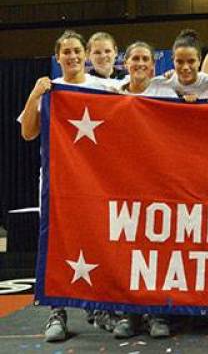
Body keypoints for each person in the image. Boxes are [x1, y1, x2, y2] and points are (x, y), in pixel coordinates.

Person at [18, 30, 116, 342]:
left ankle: (99, 306)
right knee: (55, 246)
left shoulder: (106, 87)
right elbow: (28, 133)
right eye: (66, 52)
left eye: (77, 51)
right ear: (58, 57)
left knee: (101, 241)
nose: (72, 57)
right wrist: (35, 94)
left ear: (85, 55)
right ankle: (55, 312)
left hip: (98, 184)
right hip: (57, 183)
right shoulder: (50, 90)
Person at [157, 29, 208, 98]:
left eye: (191, 61)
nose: (185, 67)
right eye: (180, 62)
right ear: (173, 60)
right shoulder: (161, 84)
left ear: (199, 60)